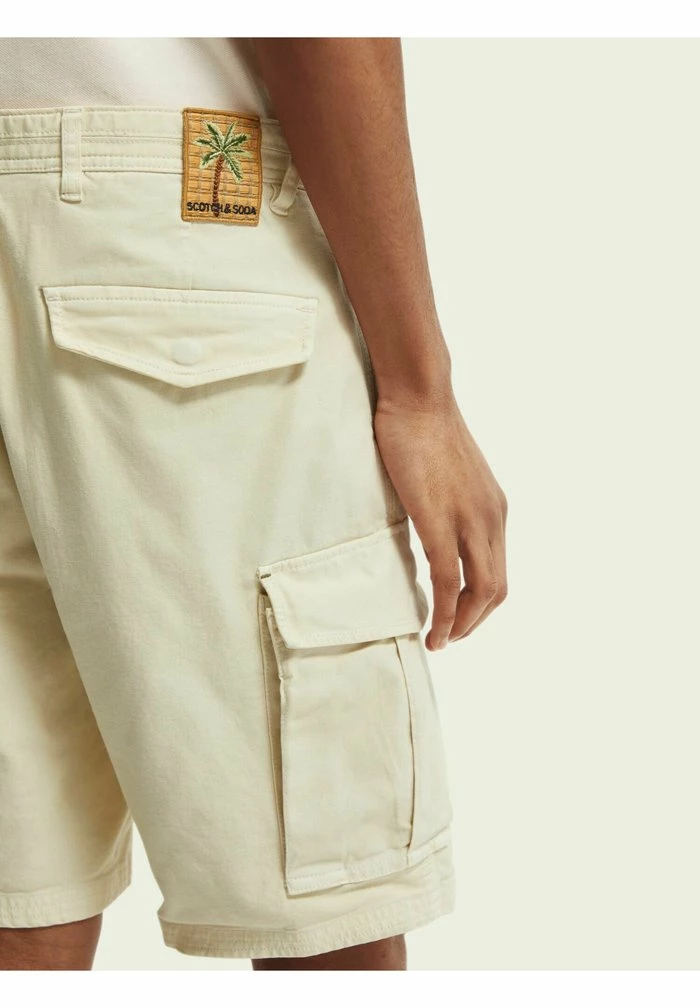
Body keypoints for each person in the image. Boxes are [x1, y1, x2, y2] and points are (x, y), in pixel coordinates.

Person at [0, 37, 508, 971]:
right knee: (323, 907)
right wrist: (421, 393)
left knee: (22, 898)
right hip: (166, 234)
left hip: (130, 209)